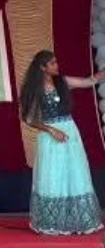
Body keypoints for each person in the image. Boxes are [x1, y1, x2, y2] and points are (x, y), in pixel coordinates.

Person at [20, 50, 105, 235]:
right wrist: (51, 130)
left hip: (70, 133)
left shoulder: (62, 82)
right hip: (50, 137)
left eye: (56, 62)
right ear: (43, 67)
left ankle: (78, 221)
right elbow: (28, 118)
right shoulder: (36, 89)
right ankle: (53, 223)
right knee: (53, 176)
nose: (57, 65)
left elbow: (89, 81)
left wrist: (101, 74)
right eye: (52, 63)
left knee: (75, 174)